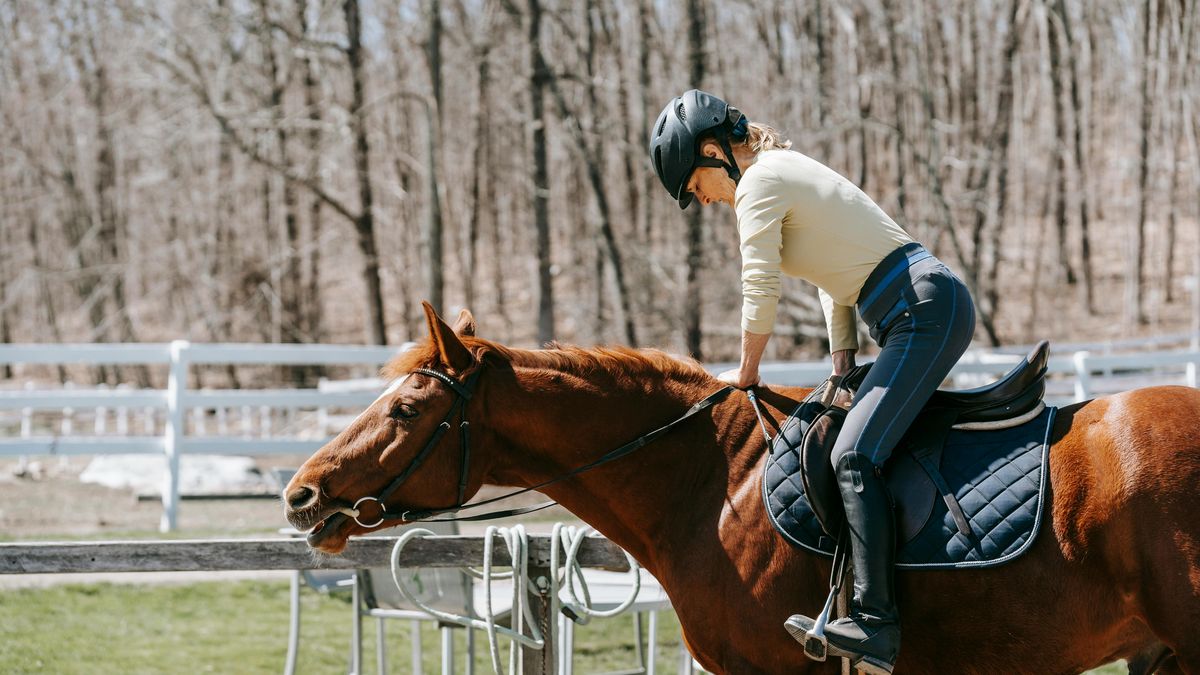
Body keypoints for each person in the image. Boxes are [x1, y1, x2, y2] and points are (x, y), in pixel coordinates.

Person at [649, 89, 976, 674]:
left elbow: (760, 285)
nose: (703, 199)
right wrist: (842, 361)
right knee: (849, 433)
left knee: (853, 456)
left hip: (921, 309)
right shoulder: (782, 172)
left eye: (695, 186)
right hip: (915, 305)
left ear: (711, 151)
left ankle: (876, 623)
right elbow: (836, 276)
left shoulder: (757, 184)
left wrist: (747, 371)